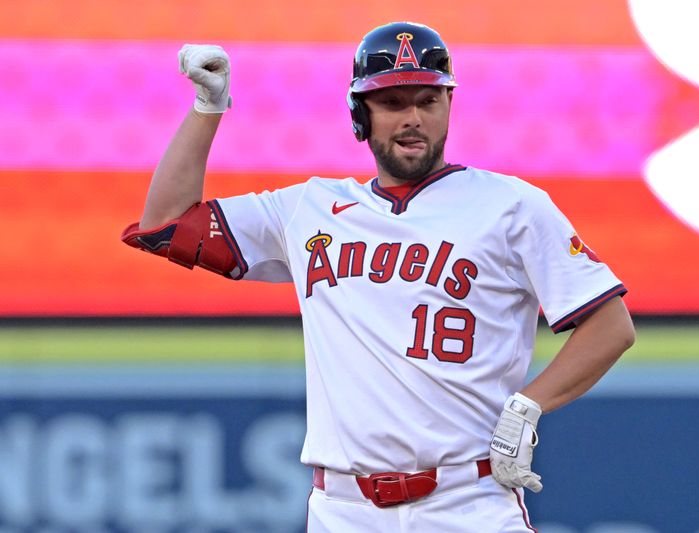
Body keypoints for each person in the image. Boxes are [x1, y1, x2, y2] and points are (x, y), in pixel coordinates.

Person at [122, 21, 635, 533]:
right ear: (359, 114)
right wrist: (207, 110)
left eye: (428, 101)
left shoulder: (513, 205)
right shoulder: (309, 209)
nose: (413, 118)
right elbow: (165, 224)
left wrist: (530, 404)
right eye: (392, 103)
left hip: (467, 501)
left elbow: (610, 325)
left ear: (449, 106)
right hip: (343, 509)